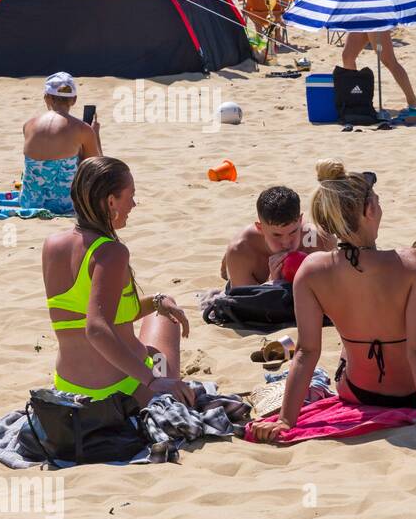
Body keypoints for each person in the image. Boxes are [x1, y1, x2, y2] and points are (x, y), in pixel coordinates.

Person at [247, 161, 416, 443]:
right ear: (370, 210)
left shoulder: (311, 270)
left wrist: (286, 420)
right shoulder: (411, 263)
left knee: (355, 334)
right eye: (377, 201)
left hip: (355, 389)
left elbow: (306, 352)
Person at [41, 157, 193, 405]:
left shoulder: (53, 245)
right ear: (111, 201)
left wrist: (156, 302)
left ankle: (153, 355)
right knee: (162, 342)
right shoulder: (111, 253)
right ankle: (158, 375)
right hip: (121, 390)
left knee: (161, 314)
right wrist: (153, 381)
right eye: (130, 195)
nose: (133, 204)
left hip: (68, 388)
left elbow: (89, 314)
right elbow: (97, 328)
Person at [19, 72, 102, 214]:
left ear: (46, 97)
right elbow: (96, 167)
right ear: (74, 100)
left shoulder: (28, 125)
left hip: (29, 202)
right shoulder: (83, 129)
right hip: (65, 204)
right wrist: (95, 134)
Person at [221, 185, 335, 287]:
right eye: (276, 235)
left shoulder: (318, 240)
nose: (286, 243)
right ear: (260, 228)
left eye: (293, 232)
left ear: (300, 221)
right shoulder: (241, 250)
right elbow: (245, 305)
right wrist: (271, 283)